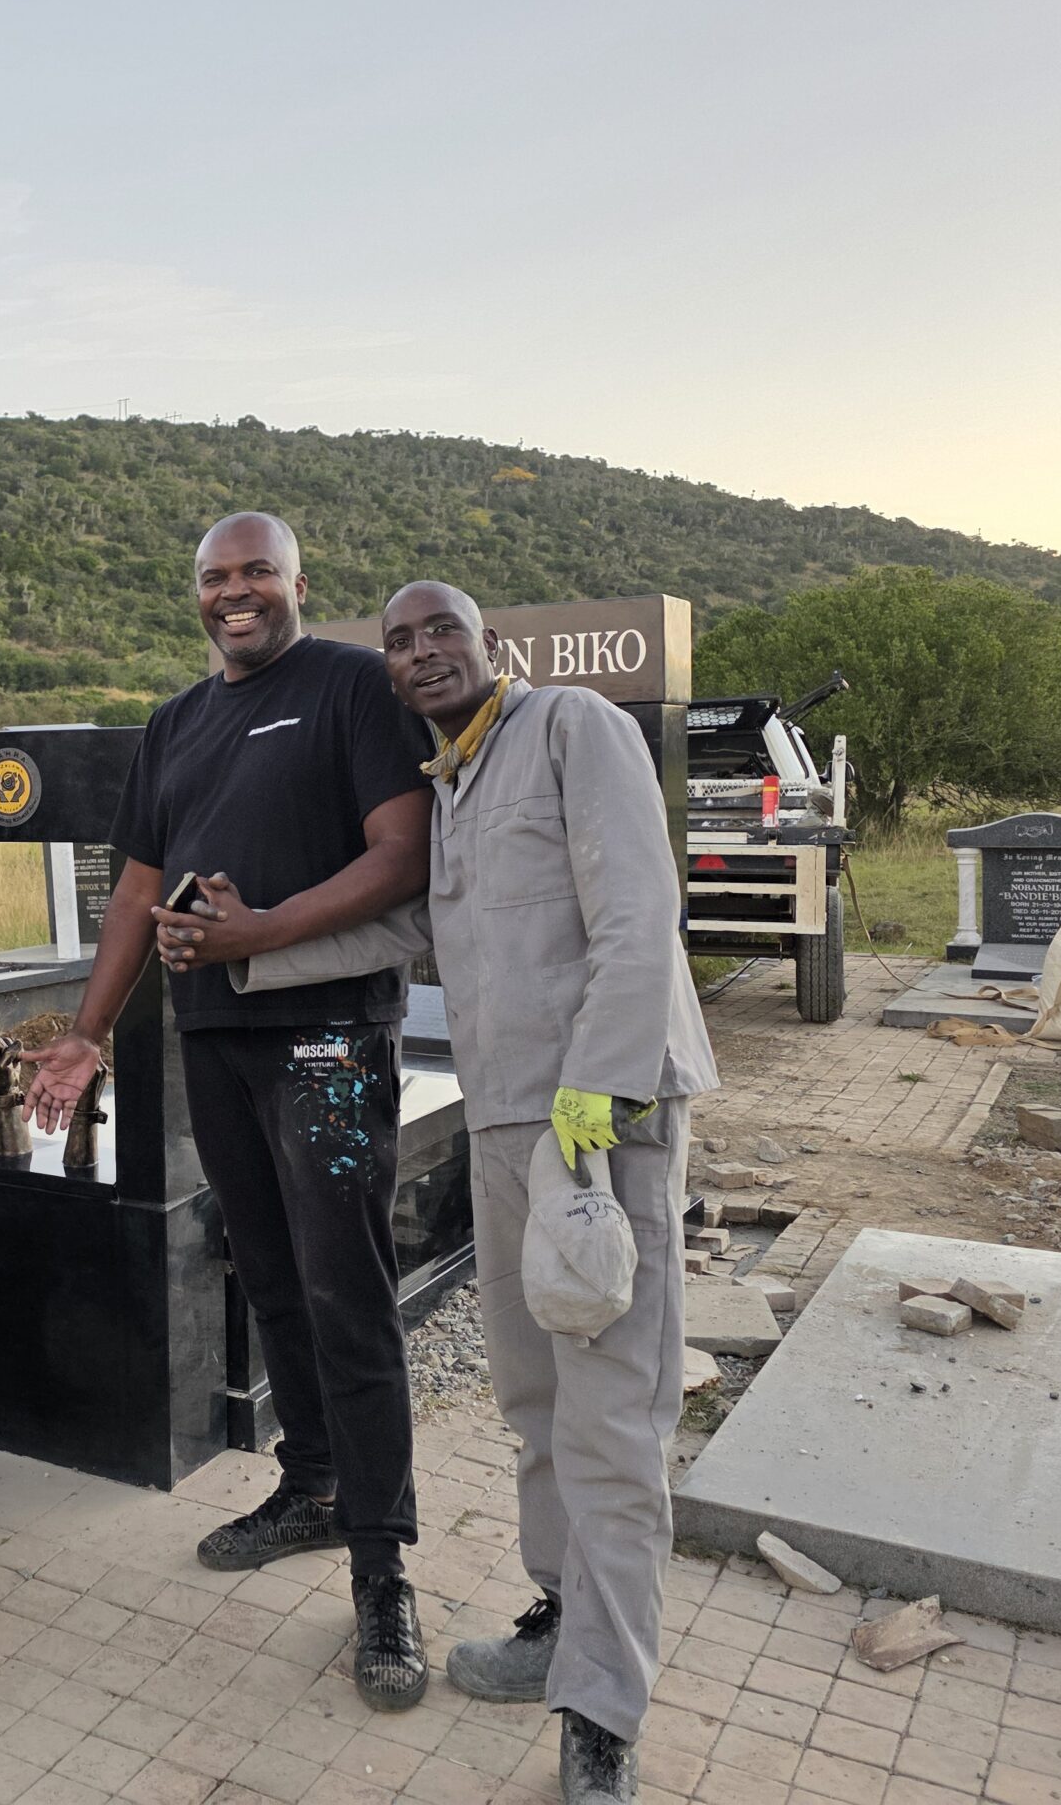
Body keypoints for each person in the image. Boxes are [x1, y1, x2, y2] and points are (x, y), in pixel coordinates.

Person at [238, 580, 719, 1805]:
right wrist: (249, 949)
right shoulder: (451, 788)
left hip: (600, 1127)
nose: (420, 652)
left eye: (441, 629)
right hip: (508, 1125)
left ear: (489, 644)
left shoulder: (570, 728)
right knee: (535, 1397)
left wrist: (599, 1093)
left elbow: (638, 911)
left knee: (612, 1421)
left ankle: (601, 1713)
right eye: (398, 642)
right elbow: (403, 933)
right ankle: (559, 1621)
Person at [20, 511, 438, 1713]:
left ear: (300, 581)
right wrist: (88, 1031)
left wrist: (260, 933)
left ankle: (380, 1568)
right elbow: (137, 891)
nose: (235, 591)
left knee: (346, 1289)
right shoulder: (176, 723)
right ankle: (313, 1485)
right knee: (269, 1277)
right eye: (215, 576)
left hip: (330, 1035)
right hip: (213, 1039)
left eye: (257, 571)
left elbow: (401, 852)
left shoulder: (351, 688)